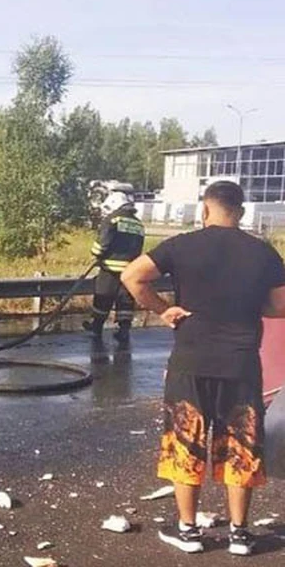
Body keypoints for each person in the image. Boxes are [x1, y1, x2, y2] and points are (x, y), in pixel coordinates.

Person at [122, 180, 285, 556]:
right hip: (241, 365)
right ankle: (241, 535)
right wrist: (247, 307)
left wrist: (162, 309)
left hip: (190, 363)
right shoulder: (263, 252)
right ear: (241, 213)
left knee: (185, 444)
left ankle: (188, 531)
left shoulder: (183, 245)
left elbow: (132, 276)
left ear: (205, 210)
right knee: (241, 447)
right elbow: (280, 304)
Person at [83, 191, 145, 343]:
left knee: (103, 297)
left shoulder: (112, 219)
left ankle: (96, 328)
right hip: (130, 270)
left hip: (110, 268)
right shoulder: (138, 223)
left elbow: (103, 242)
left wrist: (96, 253)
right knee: (125, 300)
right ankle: (123, 331)